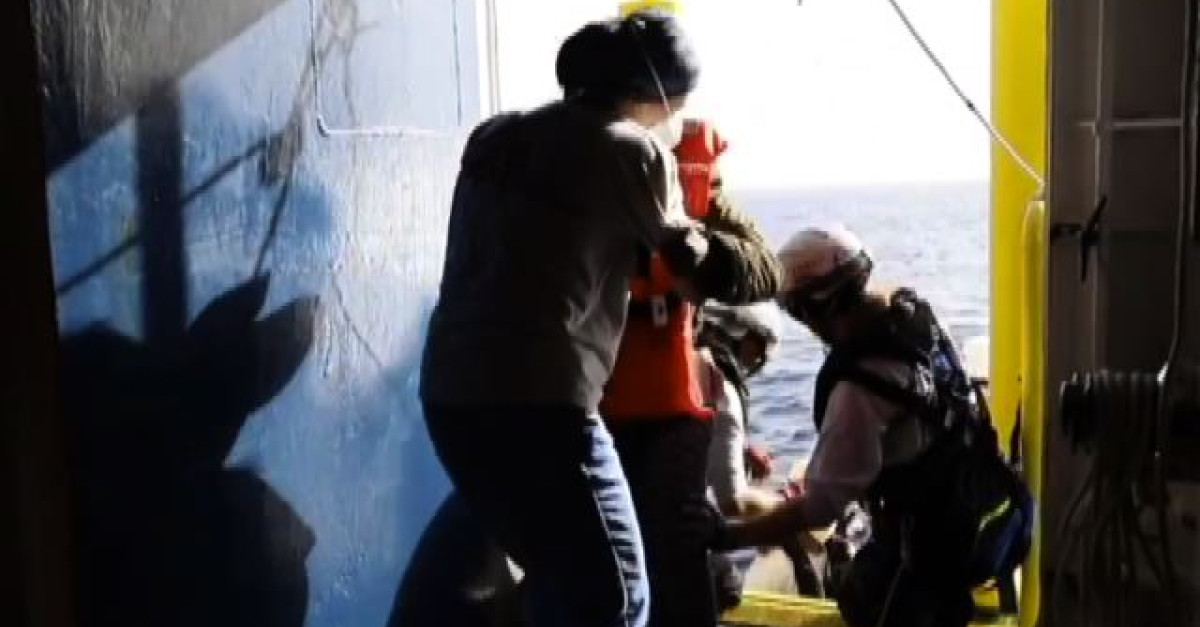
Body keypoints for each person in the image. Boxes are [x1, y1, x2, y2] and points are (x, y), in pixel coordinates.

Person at [420, 13, 714, 627]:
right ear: (662, 94)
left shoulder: (494, 136)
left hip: (450, 399)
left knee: (558, 577)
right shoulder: (630, 149)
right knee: (616, 600)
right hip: (540, 406)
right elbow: (691, 272)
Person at [713, 225, 1033, 627]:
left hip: (939, 546)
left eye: (796, 311)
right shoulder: (915, 318)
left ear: (816, 308)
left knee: (860, 597)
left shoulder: (858, 388)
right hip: (999, 508)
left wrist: (732, 536)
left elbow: (821, 507)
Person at [598, 109, 781, 626]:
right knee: (608, 568)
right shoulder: (576, 171)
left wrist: (699, 253)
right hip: (587, 416)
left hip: (657, 418)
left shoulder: (692, 181)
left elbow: (765, 270)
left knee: (671, 568)